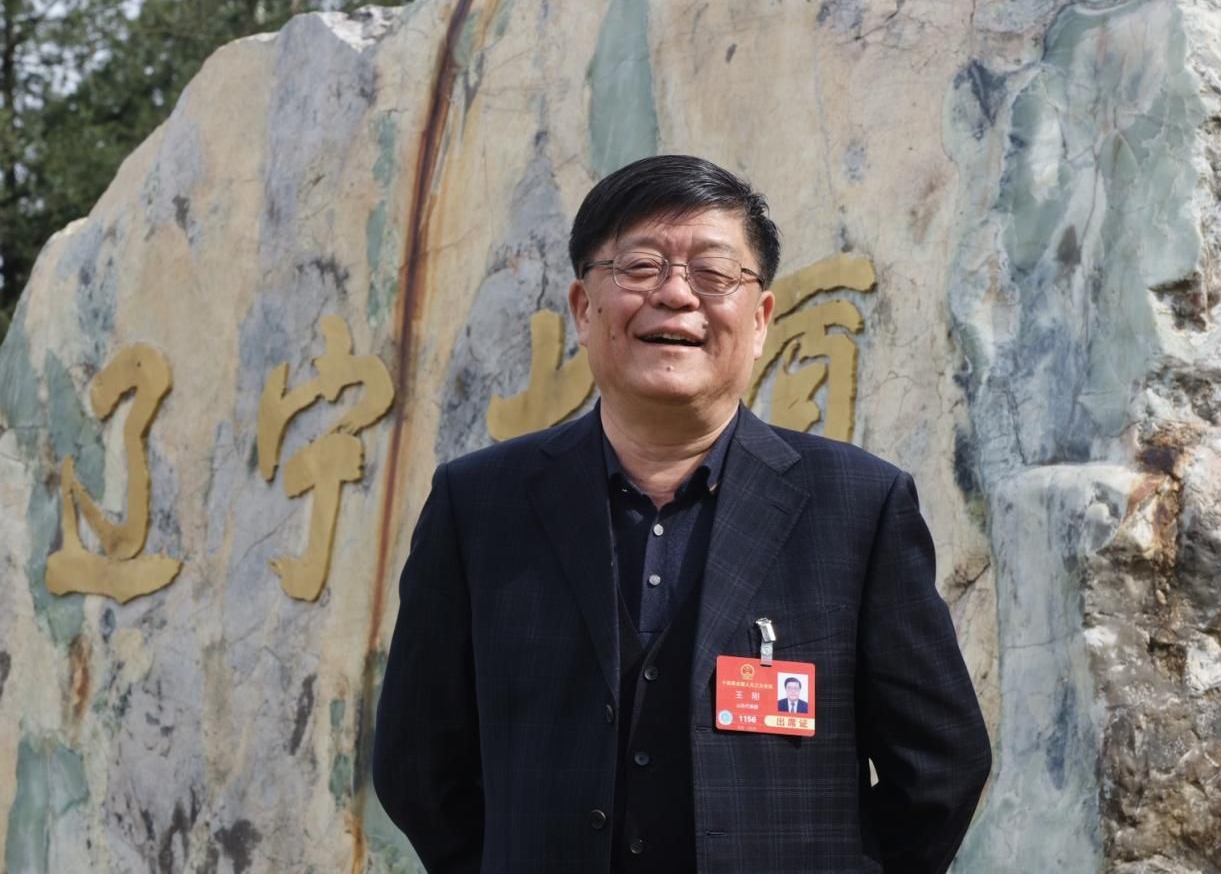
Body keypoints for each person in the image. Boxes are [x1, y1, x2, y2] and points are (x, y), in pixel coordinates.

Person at [373, 155, 991, 873]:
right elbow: (418, 766)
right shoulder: (478, 504)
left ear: (759, 321)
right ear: (584, 309)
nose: (674, 294)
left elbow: (941, 765)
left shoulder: (858, 506)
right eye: (640, 267)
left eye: (712, 272)